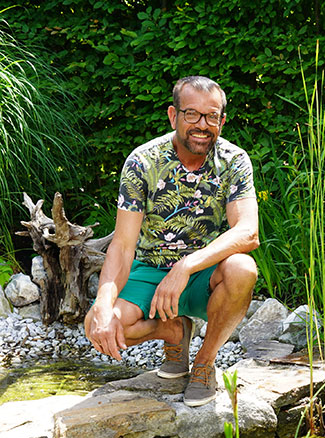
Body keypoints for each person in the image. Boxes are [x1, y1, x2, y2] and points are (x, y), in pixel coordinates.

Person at [84, 75, 259, 407]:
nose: (202, 125)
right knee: (98, 324)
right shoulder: (143, 162)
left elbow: (248, 232)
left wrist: (186, 266)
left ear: (222, 120)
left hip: (206, 272)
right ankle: (174, 332)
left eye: (211, 116)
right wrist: (103, 304)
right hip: (150, 270)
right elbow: (122, 245)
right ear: (173, 115)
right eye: (192, 114)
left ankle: (205, 363)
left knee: (243, 268)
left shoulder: (234, 161)